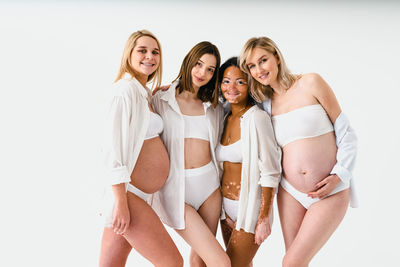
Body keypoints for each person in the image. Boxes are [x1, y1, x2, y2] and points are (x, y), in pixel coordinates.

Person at [239, 37, 358, 267]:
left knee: (292, 262)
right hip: (290, 192)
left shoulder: (311, 82)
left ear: (276, 56)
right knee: (294, 262)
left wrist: (340, 175)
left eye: (263, 60)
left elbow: (347, 134)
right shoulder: (265, 103)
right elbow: (227, 99)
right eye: (251, 66)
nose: (259, 70)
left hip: (329, 190)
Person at [99, 30, 183, 267]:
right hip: (128, 195)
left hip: (141, 196)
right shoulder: (124, 91)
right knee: (173, 262)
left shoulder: (144, 94)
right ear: (129, 55)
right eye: (142, 50)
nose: (150, 56)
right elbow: (111, 150)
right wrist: (121, 202)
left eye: (155, 52)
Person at [151, 41, 231, 267]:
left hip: (210, 189)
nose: (202, 73)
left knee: (201, 260)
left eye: (210, 69)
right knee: (221, 262)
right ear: (188, 61)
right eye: (199, 64)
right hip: (177, 190)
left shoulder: (215, 105)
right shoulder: (160, 99)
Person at [215, 57, 281, 267]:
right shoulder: (223, 118)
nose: (231, 87)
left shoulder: (257, 118)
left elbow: (271, 171)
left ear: (250, 85)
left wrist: (263, 219)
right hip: (226, 208)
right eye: (226, 81)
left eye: (240, 82)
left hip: (250, 209)